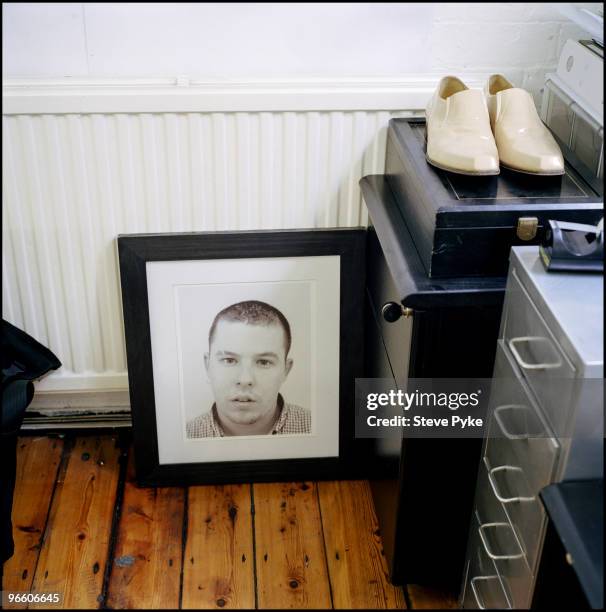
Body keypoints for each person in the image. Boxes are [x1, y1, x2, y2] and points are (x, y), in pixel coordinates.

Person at [186, 300, 311, 437]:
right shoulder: (186, 435)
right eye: (229, 360)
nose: (245, 380)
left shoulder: (319, 430)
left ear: (285, 370)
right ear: (208, 366)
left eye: (264, 362)